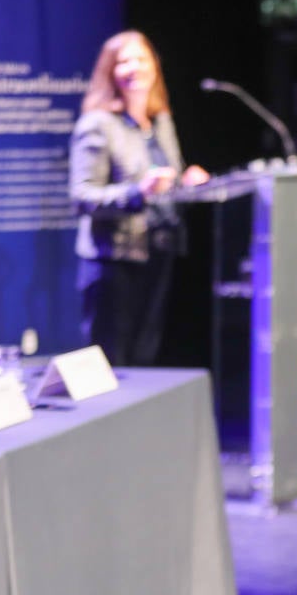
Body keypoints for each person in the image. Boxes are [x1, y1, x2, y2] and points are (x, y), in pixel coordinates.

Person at [69, 29, 208, 366]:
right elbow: (82, 197)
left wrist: (189, 183)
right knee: (112, 363)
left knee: (146, 359)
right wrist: (138, 192)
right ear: (110, 72)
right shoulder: (98, 125)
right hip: (113, 261)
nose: (134, 67)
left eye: (141, 59)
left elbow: (169, 184)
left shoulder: (160, 122)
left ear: (154, 67)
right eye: (124, 61)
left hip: (159, 252)